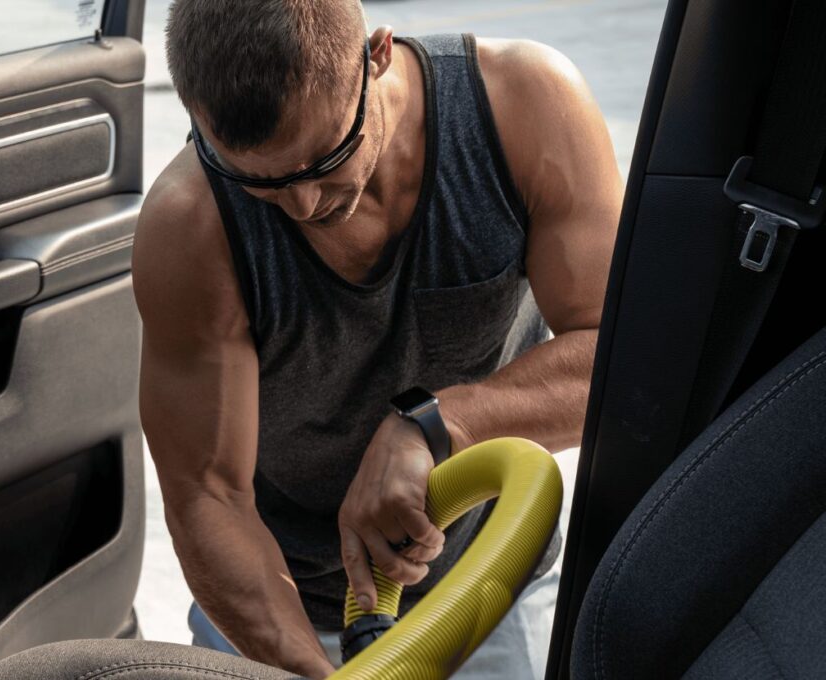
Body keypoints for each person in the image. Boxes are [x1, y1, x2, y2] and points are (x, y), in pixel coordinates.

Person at [133, 0, 621, 677]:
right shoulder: (190, 224)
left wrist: (436, 425)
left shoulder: (523, 107)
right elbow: (207, 497)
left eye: (324, 160)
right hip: (280, 609)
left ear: (378, 55)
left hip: (486, 580)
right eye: (260, 183)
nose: (302, 206)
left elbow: (619, 363)